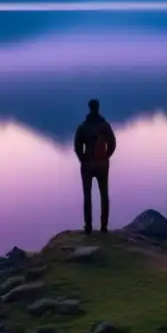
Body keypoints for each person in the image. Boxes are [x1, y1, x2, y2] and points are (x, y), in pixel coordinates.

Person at [73, 98, 116, 234]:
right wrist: (106, 156)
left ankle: (88, 227)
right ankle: (104, 227)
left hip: (87, 165)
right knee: (104, 195)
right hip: (103, 165)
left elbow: (77, 146)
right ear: (98, 108)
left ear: (89, 108)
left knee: (87, 196)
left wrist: (82, 159)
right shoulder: (105, 126)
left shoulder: (83, 127)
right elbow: (113, 144)